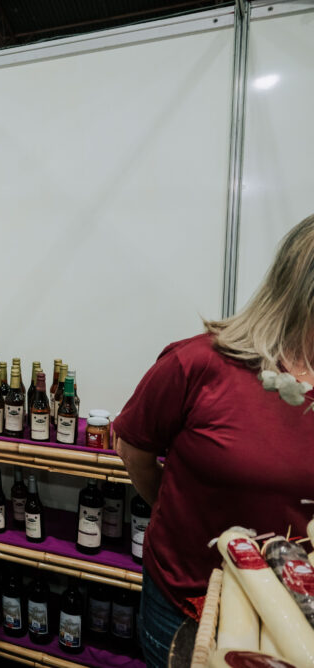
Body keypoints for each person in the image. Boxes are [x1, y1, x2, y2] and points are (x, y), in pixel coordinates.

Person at [113, 214, 314, 668]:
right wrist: (178, 510)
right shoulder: (198, 364)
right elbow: (132, 449)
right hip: (188, 603)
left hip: (300, 616)